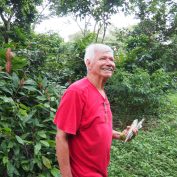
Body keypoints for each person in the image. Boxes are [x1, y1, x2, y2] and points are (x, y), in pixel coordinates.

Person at [54, 43, 137, 177]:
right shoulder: (77, 92)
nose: (109, 63)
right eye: (103, 58)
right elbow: (61, 137)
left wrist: (121, 135)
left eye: (112, 59)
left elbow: (96, 127)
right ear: (88, 62)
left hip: (100, 171)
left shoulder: (101, 92)